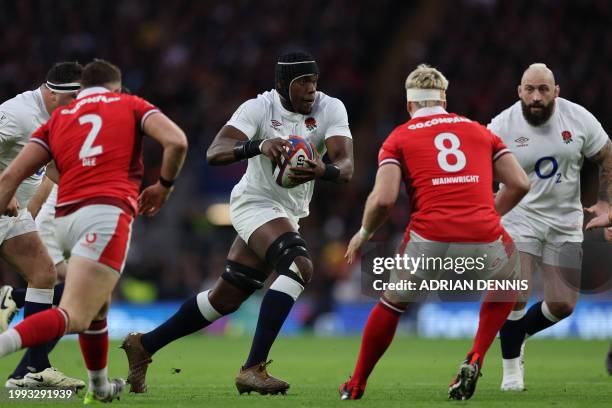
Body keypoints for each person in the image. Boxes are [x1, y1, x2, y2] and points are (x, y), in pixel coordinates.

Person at [121, 51, 354, 396]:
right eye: (302, 82)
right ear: (282, 84)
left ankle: (145, 345)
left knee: (224, 300)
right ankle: (253, 368)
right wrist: (260, 145)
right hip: (254, 204)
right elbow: (215, 151)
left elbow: (346, 166)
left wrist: (325, 170)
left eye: (314, 81)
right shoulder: (258, 108)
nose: (310, 89)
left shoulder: (329, 107)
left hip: (288, 212)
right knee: (299, 265)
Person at [0, 59, 188, 404]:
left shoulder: (59, 119)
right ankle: (19, 354)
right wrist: (164, 186)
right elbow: (177, 141)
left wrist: (27, 212)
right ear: (115, 88)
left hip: (61, 215)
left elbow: (36, 172)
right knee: (75, 312)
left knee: (78, 293)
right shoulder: (127, 104)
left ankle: (91, 385)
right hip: (103, 214)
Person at [339, 64, 530, 401]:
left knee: (393, 303)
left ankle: (356, 384)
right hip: (484, 235)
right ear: (444, 98)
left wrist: (365, 232)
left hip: (429, 237)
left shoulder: (398, 137)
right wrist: (486, 214)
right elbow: (519, 183)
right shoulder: (479, 131)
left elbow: (383, 199)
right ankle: (476, 355)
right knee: (510, 281)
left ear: (409, 105)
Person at [488, 63, 612, 392]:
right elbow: (479, 164)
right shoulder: (502, 124)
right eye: (530, 89)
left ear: (556, 91)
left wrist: (606, 202)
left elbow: (606, 155)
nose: (537, 96)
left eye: (544, 89)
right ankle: (511, 373)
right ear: (519, 91)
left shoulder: (578, 119)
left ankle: (517, 333)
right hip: (519, 217)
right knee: (516, 290)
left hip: (565, 222)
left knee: (563, 305)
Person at [0, 62, 84, 389]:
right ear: (51, 93)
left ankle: (35, 369)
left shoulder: (62, 119)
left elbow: (51, 170)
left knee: (43, 274)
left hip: (11, 215)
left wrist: (29, 211)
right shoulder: (16, 114)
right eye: (72, 99)